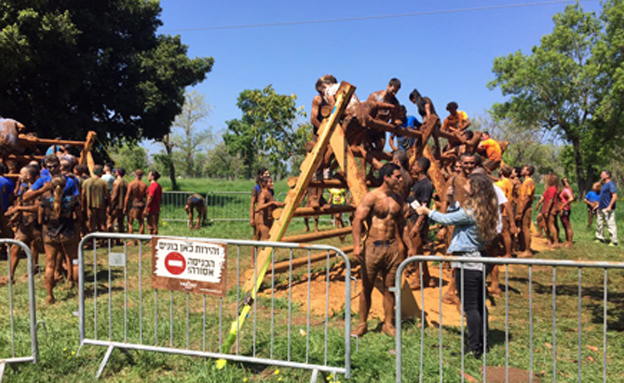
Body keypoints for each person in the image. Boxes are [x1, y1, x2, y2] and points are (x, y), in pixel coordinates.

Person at [416, 173, 499, 359]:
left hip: (468, 261)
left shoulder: (471, 212)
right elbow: (457, 213)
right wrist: (452, 197)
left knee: (470, 306)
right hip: (478, 258)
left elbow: (447, 219)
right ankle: (481, 342)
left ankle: (473, 347)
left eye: (468, 184)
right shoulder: (483, 208)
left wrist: (426, 212)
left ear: (475, 188)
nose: (465, 185)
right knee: (478, 304)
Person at [351, 163, 411, 337]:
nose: (400, 180)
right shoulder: (371, 197)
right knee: (367, 287)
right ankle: (362, 324)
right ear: (386, 177)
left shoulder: (398, 199)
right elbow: (357, 221)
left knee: (390, 287)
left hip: (392, 247)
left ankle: (388, 324)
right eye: (397, 177)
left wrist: (411, 247)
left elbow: (403, 226)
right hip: (373, 247)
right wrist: (356, 246)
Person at [38, 176, 81, 303]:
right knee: (74, 262)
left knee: (49, 265)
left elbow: (40, 219)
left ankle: (50, 295)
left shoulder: (45, 199)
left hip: (51, 235)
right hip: (68, 234)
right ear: (65, 186)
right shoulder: (72, 200)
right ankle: (79, 291)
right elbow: (79, 216)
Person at [0, 166, 42, 285]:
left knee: (37, 246)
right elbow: (20, 204)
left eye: (21, 174)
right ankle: (10, 275)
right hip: (24, 224)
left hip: (37, 224)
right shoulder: (23, 188)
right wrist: (15, 215)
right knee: (15, 248)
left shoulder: (40, 189)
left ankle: (37, 267)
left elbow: (38, 208)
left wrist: (19, 208)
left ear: (28, 176)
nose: (19, 176)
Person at [405, 157, 435, 290]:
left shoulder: (426, 185)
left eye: (416, 165)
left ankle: (418, 279)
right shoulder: (417, 183)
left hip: (418, 221)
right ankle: (427, 278)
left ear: (421, 168)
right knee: (419, 251)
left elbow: (425, 206)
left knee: (416, 251)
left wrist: (417, 225)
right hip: (412, 218)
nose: (413, 166)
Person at [81, 165, 110, 234]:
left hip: (89, 206)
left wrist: (83, 206)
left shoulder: (86, 182)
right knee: (102, 223)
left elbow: (83, 195)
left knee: (91, 224)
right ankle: (103, 241)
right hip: (101, 206)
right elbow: (108, 195)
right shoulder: (103, 182)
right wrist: (109, 204)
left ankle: (91, 241)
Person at [255, 176, 285, 241]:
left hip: (269, 221)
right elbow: (260, 206)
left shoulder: (269, 193)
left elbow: (273, 204)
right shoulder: (263, 194)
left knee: (269, 241)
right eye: (270, 182)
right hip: (263, 222)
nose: (272, 184)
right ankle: (257, 251)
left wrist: (283, 204)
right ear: (265, 184)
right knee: (265, 241)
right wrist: (271, 203)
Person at [515, 165, 536, 257]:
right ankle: (523, 247)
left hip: (526, 208)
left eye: (524, 169)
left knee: (525, 228)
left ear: (528, 172)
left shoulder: (529, 182)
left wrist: (520, 211)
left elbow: (527, 198)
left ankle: (528, 251)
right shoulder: (525, 182)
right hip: (523, 208)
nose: (521, 170)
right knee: (523, 228)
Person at [595, 170, 618, 246]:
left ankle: (614, 241)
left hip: (608, 209)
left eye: (602, 174)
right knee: (599, 223)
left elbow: (614, 196)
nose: (601, 176)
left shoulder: (610, 184)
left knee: (610, 224)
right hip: (601, 208)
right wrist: (598, 205)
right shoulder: (604, 185)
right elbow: (603, 197)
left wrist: (609, 206)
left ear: (607, 176)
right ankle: (600, 238)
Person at [124, 169, 148, 238]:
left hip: (133, 205)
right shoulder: (144, 185)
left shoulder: (131, 184)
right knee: (141, 223)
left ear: (135, 175)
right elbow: (146, 198)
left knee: (130, 222)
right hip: (141, 205)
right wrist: (146, 208)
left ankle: (131, 240)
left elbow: (127, 197)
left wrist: (125, 207)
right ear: (142, 176)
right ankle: (140, 239)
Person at [250, 168, 270, 240]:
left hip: (267, 215)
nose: (268, 175)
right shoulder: (256, 188)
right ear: (261, 176)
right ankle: (254, 251)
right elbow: (252, 203)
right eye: (266, 174)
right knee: (257, 235)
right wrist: (252, 218)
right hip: (259, 214)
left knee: (267, 235)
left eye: (269, 174)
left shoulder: (270, 188)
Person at [108, 168, 128, 237]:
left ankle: (110, 238)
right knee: (121, 223)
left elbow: (114, 195)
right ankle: (121, 239)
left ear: (117, 173)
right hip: (123, 206)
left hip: (116, 206)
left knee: (110, 221)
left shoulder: (116, 182)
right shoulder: (126, 183)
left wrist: (110, 204)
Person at [542, 174, 561, 247]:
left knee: (551, 225)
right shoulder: (549, 188)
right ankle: (549, 240)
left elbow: (551, 200)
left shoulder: (552, 189)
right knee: (545, 224)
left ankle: (556, 242)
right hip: (545, 207)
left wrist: (547, 210)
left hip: (550, 209)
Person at [144, 170, 162, 235]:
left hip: (152, 208)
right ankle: (152, 240)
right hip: (156, 207)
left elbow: (150, 197)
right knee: (153, 225)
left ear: (152, 177)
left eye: (149, 175)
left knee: (152, 225)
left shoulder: (153, 186)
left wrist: (146, 207)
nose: (148, 176)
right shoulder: (158, 186)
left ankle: (153, 241)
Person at [559, 177, 575, 247]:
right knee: (565, 225)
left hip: (565, 209)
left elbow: (571, 198)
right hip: (564, 209)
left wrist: (564, 205)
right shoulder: (566, 189)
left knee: (567, 225)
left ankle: (570, 241)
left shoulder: (566, 190)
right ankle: (567, 240)